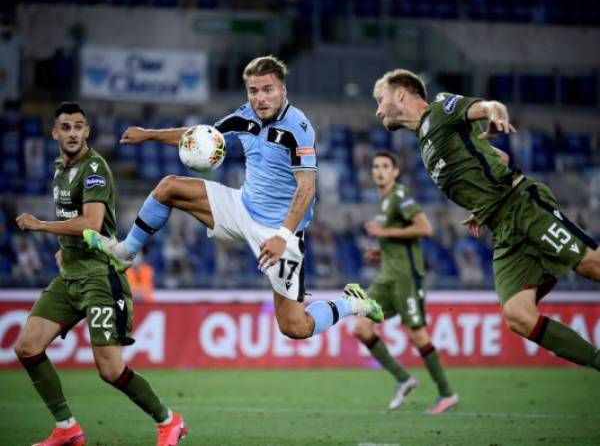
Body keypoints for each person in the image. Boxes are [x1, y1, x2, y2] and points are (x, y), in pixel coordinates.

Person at [83, 55, 383, 341]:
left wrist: (282, 236)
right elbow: (202, 136)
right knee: (168, 188)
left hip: (279, 231)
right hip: (241, 207)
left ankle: (351, 303)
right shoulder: (245, 116)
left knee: (295, 327)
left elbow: (307, 189)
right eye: (254, 91)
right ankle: (125, 252)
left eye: (267, 90)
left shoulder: (298, 128)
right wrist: (150, 134)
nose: (260, 98)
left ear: (282, 90)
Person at [372, 69, 600, 371]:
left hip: (523, 207)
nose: (377, 110)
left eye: (380, 99)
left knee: (590, 265)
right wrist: (481, 207)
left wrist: (495, 114)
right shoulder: (426, 140)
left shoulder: (440, 110)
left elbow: (489, 106)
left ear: (400, 94)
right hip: (501, 226)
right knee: (518, 316)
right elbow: (499, 158)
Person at [14, 102, 186, 446]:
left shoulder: (94, 168)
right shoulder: (58, 168)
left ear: (87, 131)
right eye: (66, 127)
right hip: (71, 274)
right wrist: (65, 248)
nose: (73, 133)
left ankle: (169, 421)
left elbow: (92, 223)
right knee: (27, 347)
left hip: (100, 276)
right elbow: (74, 217)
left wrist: (41, 225)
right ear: (55, 133)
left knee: (109, 370)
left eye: (79, 126)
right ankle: (67, 428)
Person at [354, 151, 458, 414]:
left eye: (385, 166)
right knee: (361, 328)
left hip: (405, 278)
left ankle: (447, 393)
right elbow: (399, 238)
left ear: (395, 172)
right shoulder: (385, 201)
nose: (379, 170)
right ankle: (403, 379)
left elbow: (425, 228)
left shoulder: (400, 196)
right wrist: (382, 250)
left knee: (416, 334)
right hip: (386, 276)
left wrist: (385, 233)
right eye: (375, 166)